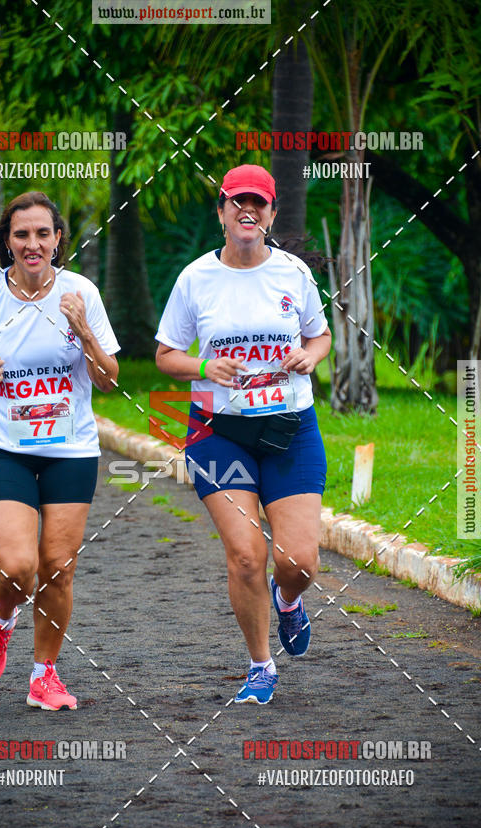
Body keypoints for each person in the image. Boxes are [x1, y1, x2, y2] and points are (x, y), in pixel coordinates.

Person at [155, 164, 331, 705]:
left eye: (259, 202)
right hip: (218, 431)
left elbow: (320, 337)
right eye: (237, 201)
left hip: (289, 427)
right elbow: (165, 356)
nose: (247, 210)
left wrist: (309, 357)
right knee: (247, 556)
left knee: (298, 562)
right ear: (222, 213)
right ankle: (260, 666)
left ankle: (288, 600)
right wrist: (204, 367)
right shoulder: (195, 279)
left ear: (272, 214)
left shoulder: (293, 274)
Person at [0, 191, 120, 710]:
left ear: (58, 239)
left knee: (57, 567)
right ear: (9, 241)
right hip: (6, 446)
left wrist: (83, 330)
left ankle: (45, 676)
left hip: (70, 448)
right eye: (22, 234)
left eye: (43, 233)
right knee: (19, 565)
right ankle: (0, 619)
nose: (33, 243)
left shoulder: (81, 292)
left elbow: (109, 379)